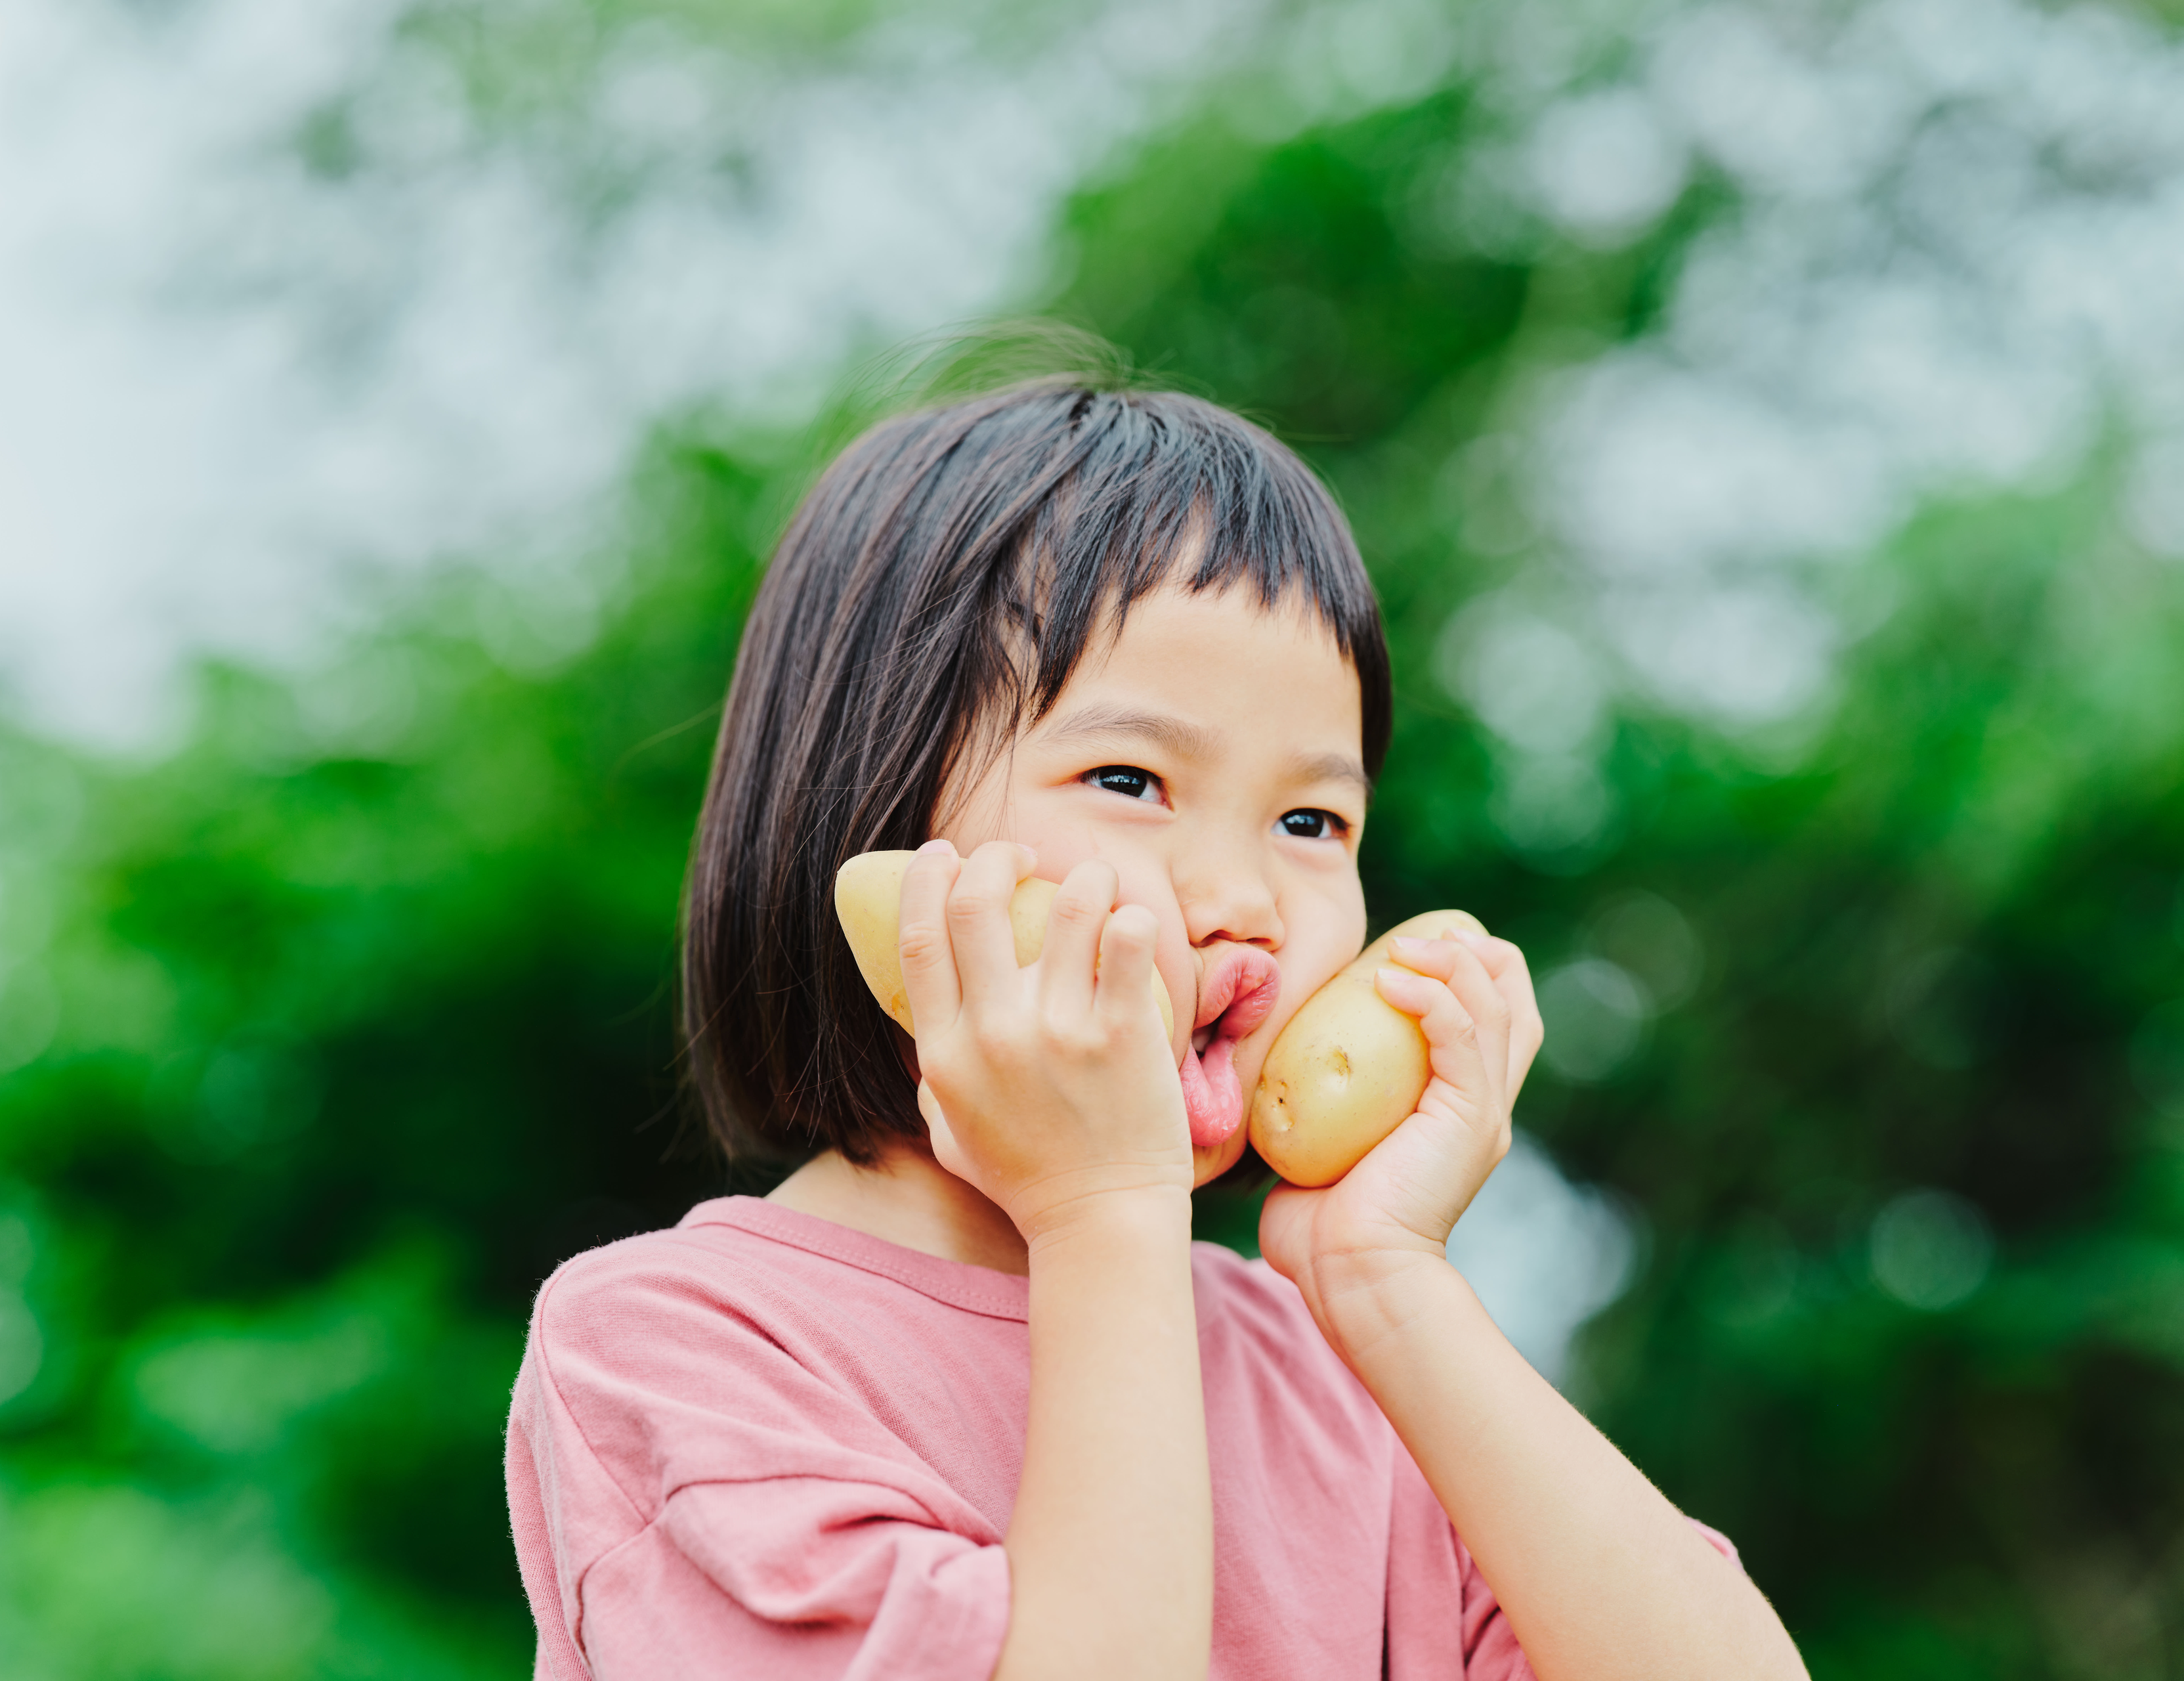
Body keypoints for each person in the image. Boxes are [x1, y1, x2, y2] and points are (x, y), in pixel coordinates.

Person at [504, 381, 1809, 1680]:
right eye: (1129, 780)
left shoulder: (1338, 1378)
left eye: (1311, 821)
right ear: (876, 828)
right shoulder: (675, 1348)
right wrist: (1101, 1216)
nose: (1242, 898)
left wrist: (1384, 1286)